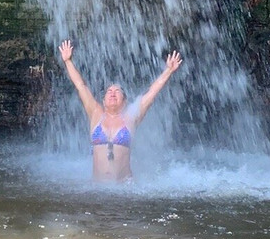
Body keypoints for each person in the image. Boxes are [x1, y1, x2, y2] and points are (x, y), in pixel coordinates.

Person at [58, 39, 183, 182]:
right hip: (98, 189)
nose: (112, 93)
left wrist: (168, 70)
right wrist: (68, 61)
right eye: (109, 91)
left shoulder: (131, 116)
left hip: (125, 189)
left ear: (124, 101)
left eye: (117, 91)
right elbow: (81, 85)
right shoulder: (96, 114)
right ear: (103, 101)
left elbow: (152, 92)